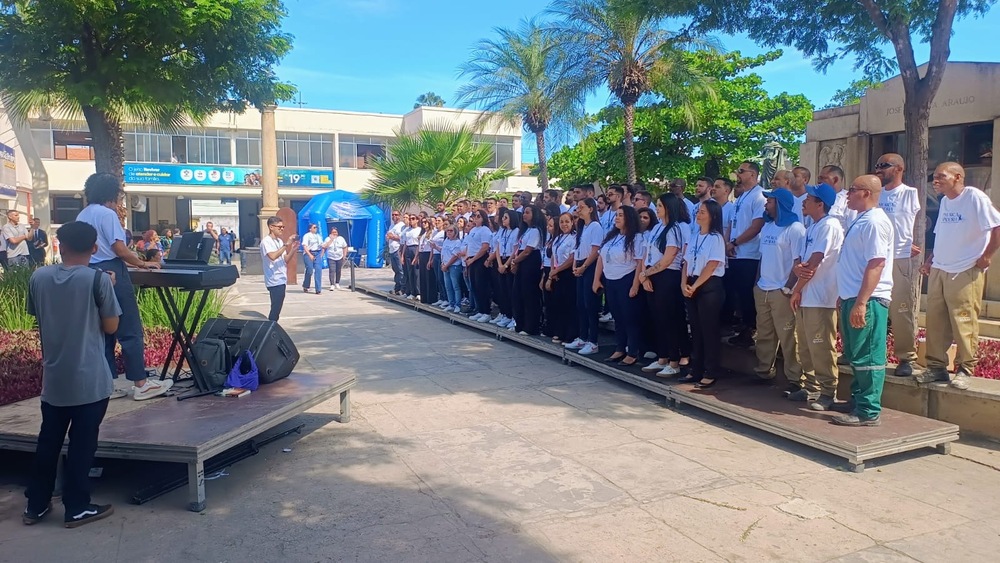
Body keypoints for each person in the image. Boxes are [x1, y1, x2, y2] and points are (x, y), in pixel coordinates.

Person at [23, 221, 121, 528]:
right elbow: (111, 327)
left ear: (60, 246)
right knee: (82, 444)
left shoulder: (38, 276)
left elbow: (37, 315)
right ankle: (76, 507)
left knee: (48, 441)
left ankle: (35, 505)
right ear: (94, 248)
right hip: (90, 379)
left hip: (54, 378)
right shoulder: (98, 279)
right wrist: (110, 287)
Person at [77, 173, 169, 400]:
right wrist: (144, 263)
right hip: (112, 270)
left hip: (89, 271)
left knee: (103, 331)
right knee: (129, 328)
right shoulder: (107, 214)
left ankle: (109, 384)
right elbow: (119, 249)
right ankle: (141, 384)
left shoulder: (83, 214)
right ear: (112, 195)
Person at [918, 162, 1000, 390]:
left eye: (941, 176)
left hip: (965, 269)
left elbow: (997, 225)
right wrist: (929, 261)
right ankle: (936, 368)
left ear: (957, 177)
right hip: (940, 269)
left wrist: (987, 256)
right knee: (935, 322)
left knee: (964, 321)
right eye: (935, 176)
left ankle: (965, 369)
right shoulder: (944, 202)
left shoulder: (974, 197)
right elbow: (942, 235)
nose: (936, 180)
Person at [833, 175, 894, 427]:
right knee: (856, 354)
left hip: (868, 300)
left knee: (867, 355)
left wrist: (861, 302)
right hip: (853, 297)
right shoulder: (862, 220)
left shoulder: (875, 222)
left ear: (866, 193)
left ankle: (868, 411)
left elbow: (876, 263)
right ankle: (859, 400)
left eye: (853, 190)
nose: (847, 194)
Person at [790, 184, 844, 411]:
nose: (803, 201)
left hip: (821, 296)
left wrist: (796, 288)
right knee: (804, 345)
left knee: (821, 346)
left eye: (808, 199)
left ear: (820, 204)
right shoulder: (812, 226)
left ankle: (828, 392)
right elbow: (801, 264)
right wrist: (798, 278)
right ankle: (811, 387)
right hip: (807, 294)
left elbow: (814, 262)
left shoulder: (830, 225)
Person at [753, 188, 806, 395]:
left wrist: (788, 287)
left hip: (781, 290)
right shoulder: (767, 226)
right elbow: (762, 257)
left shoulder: (795, 229)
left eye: (770, 201)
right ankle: (764, 371)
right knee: (764, 333)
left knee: (789, 336)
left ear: (781, 204)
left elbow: (798, 262)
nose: (766, 204)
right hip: (763, 288)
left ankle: (795, 379)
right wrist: (757, 282)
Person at [874, 153, 923, 378]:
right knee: (875, 308)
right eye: (877, 165)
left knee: (900, 309)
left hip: (899, 257)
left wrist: (913, 243)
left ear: (899, 168)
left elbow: (916, 222)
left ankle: (906, 357)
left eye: (884, 165)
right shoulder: (875, 193)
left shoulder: (909, 193)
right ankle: (875, 353)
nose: (879, 169)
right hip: (875, 257)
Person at [639, 193, 691, 376]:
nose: (656, 208)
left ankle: (674, 360)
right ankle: (662, 357)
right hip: (652, 275)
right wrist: (644, 275)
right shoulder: (656, 229)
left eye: (660, 205)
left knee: (670, 319)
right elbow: (647, 253)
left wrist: (647, 273)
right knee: (657, 319)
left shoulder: (674, 229)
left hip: (667, 276)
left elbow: (668, 258)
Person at [679, 200, 728, 387]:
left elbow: (712, 264)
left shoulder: (715, 238)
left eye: (703, 212)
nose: (698, 215)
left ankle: (711, 370)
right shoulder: (694, 236)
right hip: (691, 283)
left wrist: (696, 285)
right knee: (696, 330)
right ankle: (696, 368)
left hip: (708, 286)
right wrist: (684, 283)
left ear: (713, 216)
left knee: (709, 330)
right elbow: (686, 262)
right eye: (698, 212)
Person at [593, 205, 646, 364]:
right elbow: (601, 257)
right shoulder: (612, 236)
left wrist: (635, 285)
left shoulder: (636, 238)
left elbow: (639, 263)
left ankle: (633, 351)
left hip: (626, 279)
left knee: (629, 317)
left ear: (629, 218)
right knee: (618, 317)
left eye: (621, 215)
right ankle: (620, 348)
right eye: (616, 215)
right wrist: (597, 279)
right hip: (610, 279)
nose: (617, 218)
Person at [727, 162, 767, 348]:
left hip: (749, 253)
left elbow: (757, 225)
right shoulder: (742, 197)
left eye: (741, 171)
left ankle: (750, 329)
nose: (738, 174)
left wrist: (735, 242)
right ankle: (743, 326)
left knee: (746, 293)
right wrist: (729, 244)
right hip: (736, 253)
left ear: (753, 174)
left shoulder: (759, 196)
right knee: (738, 294)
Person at [564, 198, 603, 356]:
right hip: (580, 264)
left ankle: (593, 341)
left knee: (590, 305)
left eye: (581, 207)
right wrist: (575, 266)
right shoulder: (582, 227)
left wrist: (584, 266)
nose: (578, 210)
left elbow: (595, 250)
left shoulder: (595, 227)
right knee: (580, 304)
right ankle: (582, 336)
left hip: (589, 265)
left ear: (591, 209)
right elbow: (578, 248)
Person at [510, 205, 546, 335]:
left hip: (530, 262)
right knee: (519, 293)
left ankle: (531, 326)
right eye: (524, 212)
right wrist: (515, 261)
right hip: (521, 261)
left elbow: (528, 251)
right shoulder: (525, 230)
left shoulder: (536, 230)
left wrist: (515, 261)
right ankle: (520, 323)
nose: (524, 215)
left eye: (527, 213)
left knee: (529, 294)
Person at [545, 212, 578, 345]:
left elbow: (571, 258)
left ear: (572, 223)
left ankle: (570, 334)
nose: (564, 224)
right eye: (562, 222)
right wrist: (553, 271)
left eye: (567, 222)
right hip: (557, 273)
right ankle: (559, 331)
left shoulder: (574, 238)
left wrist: (557, 270)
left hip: (568, 274)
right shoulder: (558, 238)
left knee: (569, 305)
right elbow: (553, 255)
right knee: (559, 304)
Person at [261, 216, 298, 322]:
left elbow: (285, 259)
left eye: (283, 227)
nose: (282, 229)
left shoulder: (279, 241)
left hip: (281, 278)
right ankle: (271, 326)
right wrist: (286, 244)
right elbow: (272, 256)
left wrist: (293, 249)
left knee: (277, 307)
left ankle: (272, 325)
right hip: (273, 279)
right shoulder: (266, 242)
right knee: (275, 308)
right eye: (279, 227)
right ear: (271, 227)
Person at [463, 210, 494, 322]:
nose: (476, 218)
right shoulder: (473, 230)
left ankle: (486, 312)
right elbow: (470, 245)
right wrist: (468, 258)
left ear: (484, 218)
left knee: (482, 287)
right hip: (471, 259)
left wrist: (474, 259)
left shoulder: (485, 230)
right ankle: (480, 310)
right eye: (475, 216)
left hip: (480, 259)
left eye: (478, 216)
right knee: (475, 287)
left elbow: (485, 247)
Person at [818, 165, 856, 232]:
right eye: (819, 178)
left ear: (835, 180)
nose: (819, 181)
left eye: (822, 178)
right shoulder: (815, 197)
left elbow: (852, 227)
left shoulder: (848, 199)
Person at [439, 225, 465, 312]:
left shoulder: (458, 242)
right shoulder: (446, 240)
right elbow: (443, 252)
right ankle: (451, 303)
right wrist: (443, 264)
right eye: (447, 231)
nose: (448, 232)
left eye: (451, 231)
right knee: (448, 286)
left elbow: (455, 256)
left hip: (454, 266)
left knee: (455, 286)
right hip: (445, 265)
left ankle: (457, 305)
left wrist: (446, 265)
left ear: (455, 232)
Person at [300, 223, 324, 295]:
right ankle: (306, 285)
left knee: (318, 270)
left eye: (316, 227)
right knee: (309, 270)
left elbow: (322, 245)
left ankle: (318, 289)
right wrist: (309, 254)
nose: (316, 228)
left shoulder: (318, 236)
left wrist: (321, 254)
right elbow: (304, 246)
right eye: (314, 227)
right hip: (309, 252)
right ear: (310, 229)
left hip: (317, 253)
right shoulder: (307, 235)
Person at [402, 214, 421, 299]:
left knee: (416, 272)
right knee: (410, 272)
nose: (411, 220)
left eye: (413, 219)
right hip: (408, 249)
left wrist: (417, 255)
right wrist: (402, 255)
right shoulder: (407, 230)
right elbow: (405, 243)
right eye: (410, 219)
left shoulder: (419, 230)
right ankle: (411, 292)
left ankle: (418, 292)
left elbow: (419, 243)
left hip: (415, 248)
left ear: (417, 220)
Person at [386, 211, 405, 294]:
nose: (394, 216)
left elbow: (402, 238)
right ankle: (397, 287)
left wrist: (393, 237)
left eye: (396, 215)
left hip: (398, 249)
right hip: (392, 249)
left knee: (400, 270)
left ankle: (401, 287)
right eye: (393, 215)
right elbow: (388, 236)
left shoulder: (401, 226)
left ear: (399, 216)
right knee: (395, 270)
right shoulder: (391, 225)